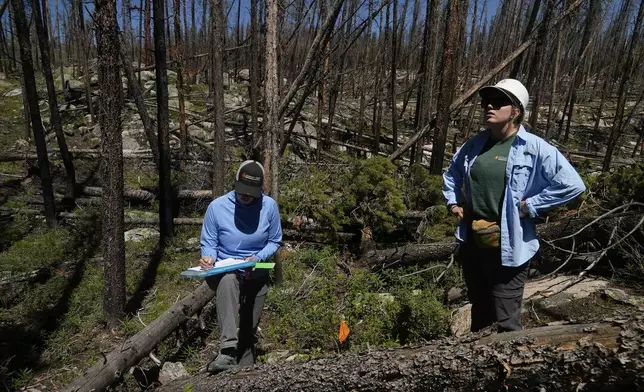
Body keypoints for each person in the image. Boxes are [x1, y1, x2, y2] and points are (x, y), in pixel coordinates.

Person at [442, 79, 586, 332]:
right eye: (487, 102)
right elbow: (452, 174)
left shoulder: (534, 148)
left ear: (516, 111)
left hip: (509, 245)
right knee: (480, 309)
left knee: (507, 318)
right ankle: (475, 364)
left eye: (498, 103)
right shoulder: (475, 144)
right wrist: (454, 203)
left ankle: (514, 365)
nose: (489, 107)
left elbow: (572, 184)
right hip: (474, 241)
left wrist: (530, 206)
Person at [200, 160, 283, 372]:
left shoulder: (269, 207)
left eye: (251, 193)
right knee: (228, 281)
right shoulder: (217, 207)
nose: (246, 196)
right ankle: (227, 351)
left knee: (249, 327)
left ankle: (246, 368)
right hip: (226, 270)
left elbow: (274, 240)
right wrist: (208, 257)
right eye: (242, 191)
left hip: (256, 270)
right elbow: (209, 241)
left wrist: (258, 257)